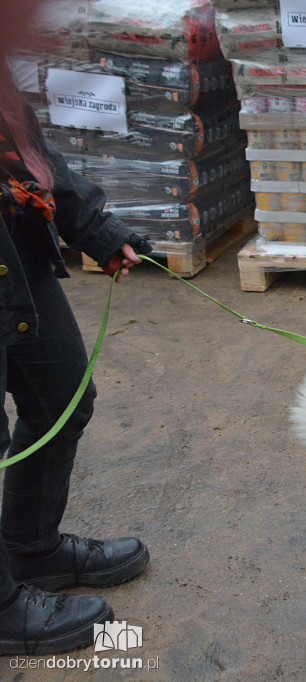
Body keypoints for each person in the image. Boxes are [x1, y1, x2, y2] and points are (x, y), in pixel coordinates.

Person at [0, 0, 153, 655]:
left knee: (63, 397)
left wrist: (93, 226)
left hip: (17, 252)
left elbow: (29, 149)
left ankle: (32, 550)